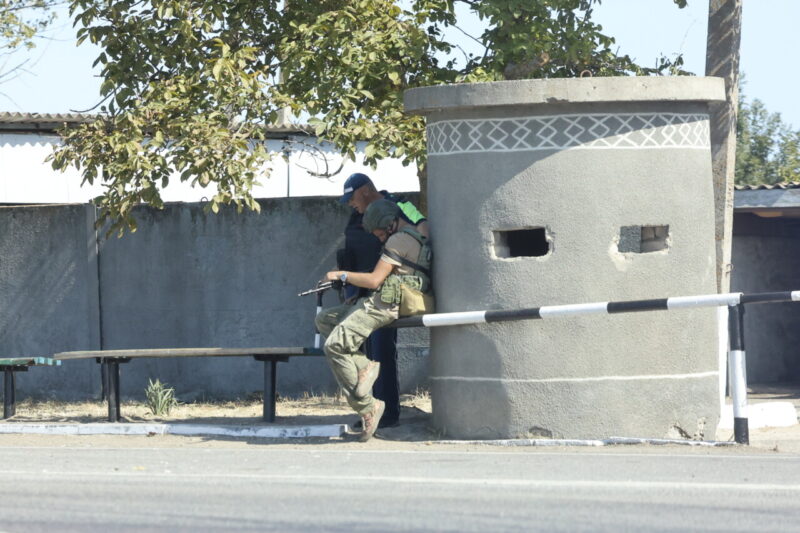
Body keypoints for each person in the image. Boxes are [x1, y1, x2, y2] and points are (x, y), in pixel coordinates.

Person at [316, 199, 433, 441]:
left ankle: (368, 408)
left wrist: (341, 275)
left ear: (388, 224)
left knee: (334, 346)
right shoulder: (415, 235)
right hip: (379, 302)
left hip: (382, 306)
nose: (378, 238)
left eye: (379, 232)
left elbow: (374, 280)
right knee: (326, 320)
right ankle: (363, 365)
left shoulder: (398, 240)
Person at [337, 173, 427, 429]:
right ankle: (371, 409)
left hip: (388, 291)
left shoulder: (400, 204)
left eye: (352, 197)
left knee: (382, 353)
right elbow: (352, 251)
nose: (350, 203)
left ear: (366, 190)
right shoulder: (357, 217)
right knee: (365, 354)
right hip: (362, 292)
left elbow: (423, 229)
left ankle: (388, 413)